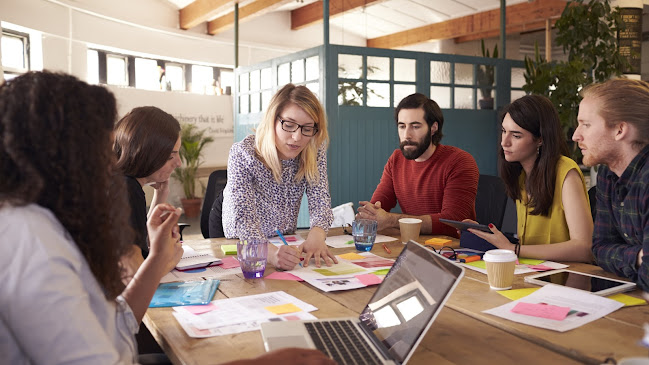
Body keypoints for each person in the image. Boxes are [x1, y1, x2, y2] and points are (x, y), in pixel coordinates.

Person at [0, 71, 335, 365]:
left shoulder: (48, 224)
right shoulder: (31, 246)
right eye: (101, 147)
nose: (112, 160)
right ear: (58, 157)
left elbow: (118, 324)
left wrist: (158, 258)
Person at [220, 83, 337, 269]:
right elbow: (243, 218)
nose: (297, 137)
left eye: (307, 128)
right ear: (272, 120)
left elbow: (320, 196)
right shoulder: (243, 152)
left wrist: (317, 233)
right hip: (240, 240)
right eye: (289, 125)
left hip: (284, 238)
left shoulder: (313, 148)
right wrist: (271, 254)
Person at [468, 95, 593, 262]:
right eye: (504, 131)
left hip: (562, 280)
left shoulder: (566, 172)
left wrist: (513, 249)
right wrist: (489, 235)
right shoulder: (520, 175)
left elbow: (584, 249)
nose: (504, 142)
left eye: (516, 135)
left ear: (540, 139)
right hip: (531, 273)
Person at [356, 93, 479, 238]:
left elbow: (453, 222)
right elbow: (376, 207)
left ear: (433, 128)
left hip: (452, 250)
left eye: (415, 126)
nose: (407, 135)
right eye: (402, 126)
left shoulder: (460, 161)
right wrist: (370, 215)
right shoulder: (396, 160)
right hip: (412, 244)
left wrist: (391, 220)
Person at [572, 78, 649, 290]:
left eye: (586, 125)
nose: (575, 135)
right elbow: (599, 249)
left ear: (619, 130)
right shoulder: (608, 173)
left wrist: (629, 258)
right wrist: (639, 256)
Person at [114, 106, 182, 259]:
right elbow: (137, 273)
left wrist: (160, 194)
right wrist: (170, 256)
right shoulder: (127, 190)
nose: (179, 163)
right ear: (147, 154)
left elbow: (142, 241)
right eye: (171, 156)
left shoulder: (122, 183)